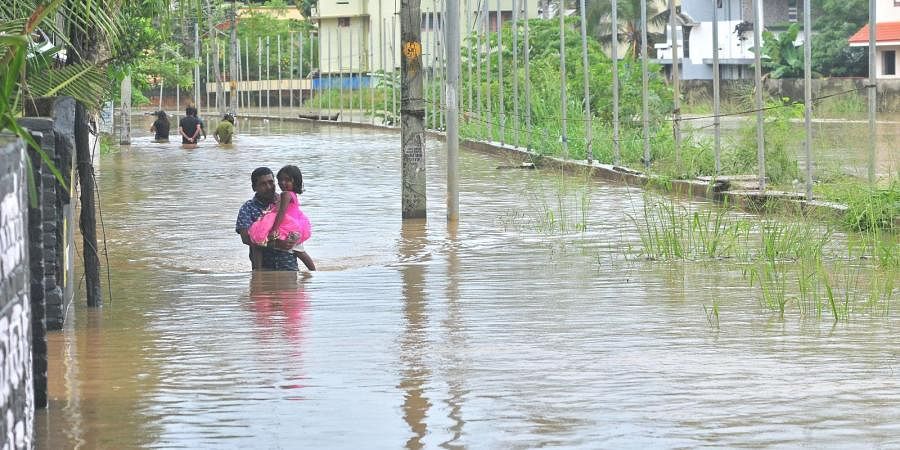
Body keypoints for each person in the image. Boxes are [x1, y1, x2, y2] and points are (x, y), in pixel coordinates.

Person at [247, 165, 316, 271]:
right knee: (299, 251)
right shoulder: (290, 194)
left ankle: (258, 271)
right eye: (280, 180)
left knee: (258, 239)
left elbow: (281, 212)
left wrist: (273, 230)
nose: (283, 183)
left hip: (287, 226)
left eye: (287, 180)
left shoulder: (285, 195)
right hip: (294, 224)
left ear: (295, 181)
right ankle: (313, 272)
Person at [236, 167, 300, 271]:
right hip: (263, 270)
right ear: (254, 187)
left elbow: (297, 225)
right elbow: (246, 239)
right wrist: (276, 244)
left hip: (289, 266)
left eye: (271, 182)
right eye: (263, 184)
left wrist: (292, 239)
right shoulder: (248, 208)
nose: (269, 187)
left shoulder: (285, 201)